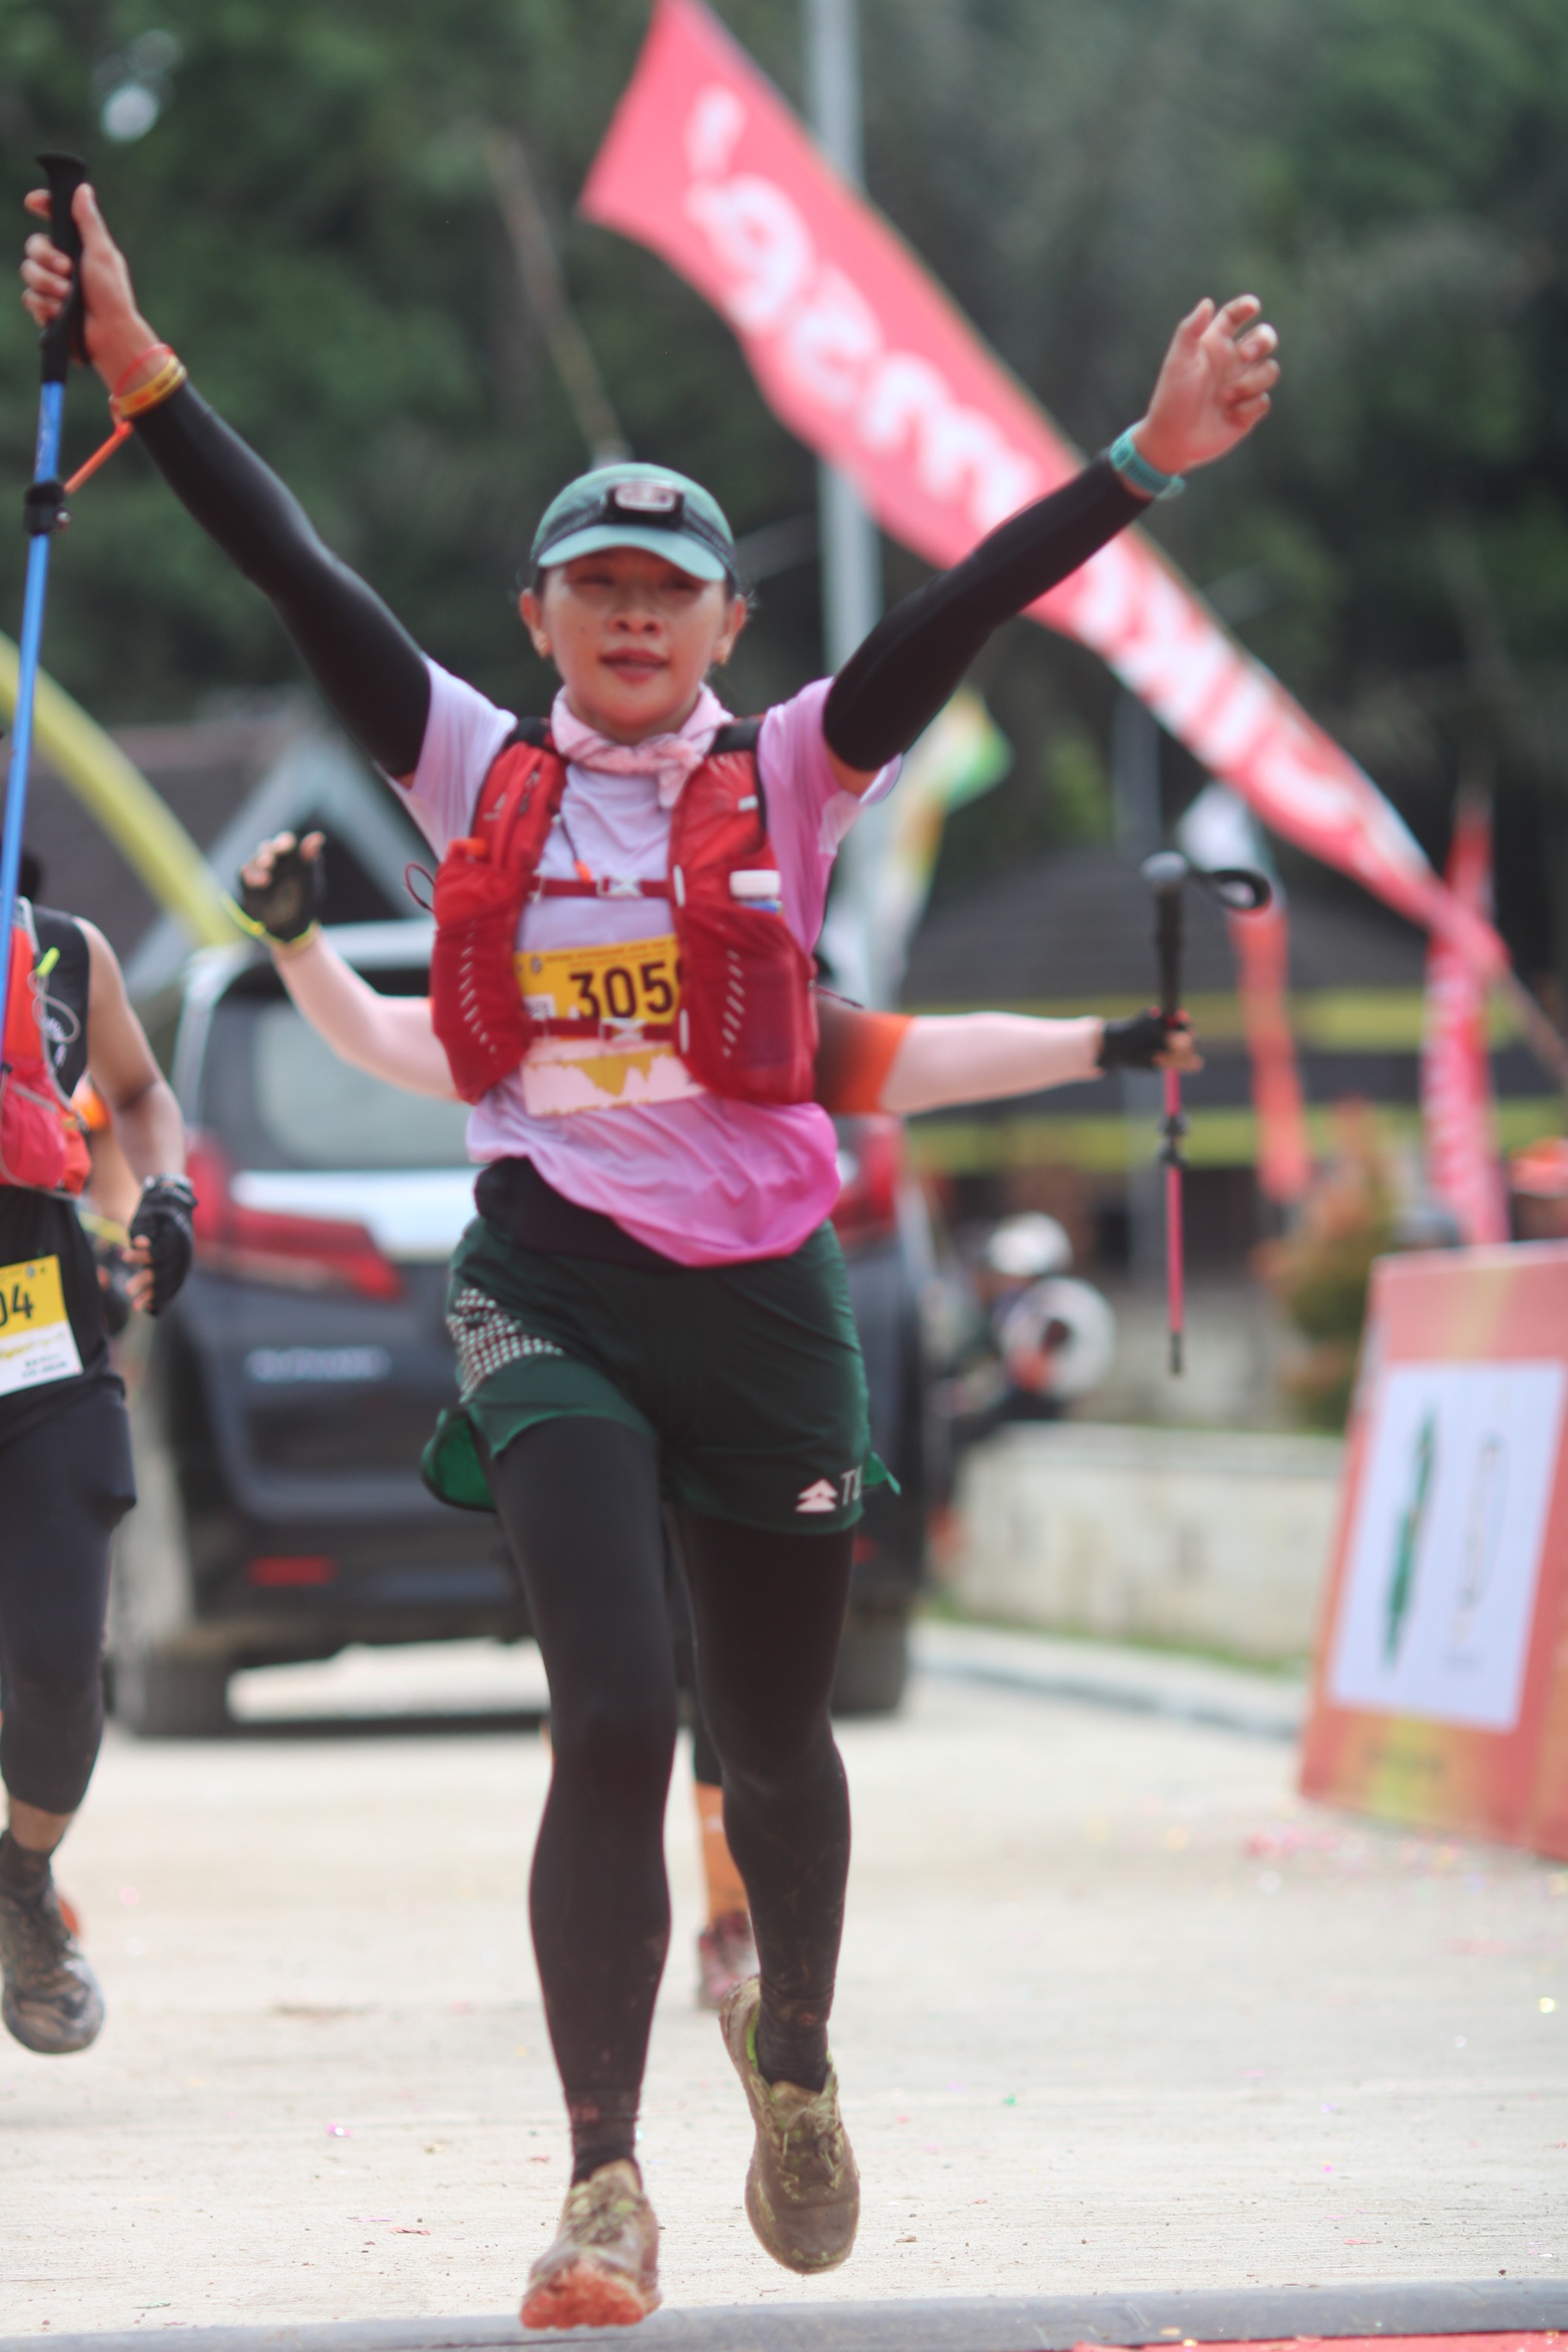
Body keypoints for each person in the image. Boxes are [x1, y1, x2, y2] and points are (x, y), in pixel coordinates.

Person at [23, 178, 1275, 2328]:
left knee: (771, 1752)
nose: (630, 617)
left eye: (667, 591)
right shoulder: (467, 768)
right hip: (552, 1289)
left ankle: (794, 2056)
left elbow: (967, 605)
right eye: (594, 586)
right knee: (612, 1711)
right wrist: (135, 366)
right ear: (537, 617)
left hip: (768, 1306)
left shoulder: (795, 773)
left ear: (721, 626)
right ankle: (602, 2182)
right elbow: (296, 566)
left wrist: (1144, 461)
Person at [230, 841, 1198, 2008]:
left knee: (729, 1676)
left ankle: (733, 1923)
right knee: (610, 1688)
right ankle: (616, 1908)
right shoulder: (520, 1013)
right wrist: (298, 944)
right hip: (570, 1358)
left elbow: (905, 1056)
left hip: (744, 1363)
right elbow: (388, 1038)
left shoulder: (754, 1000)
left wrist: (1101, 1044)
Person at [0, 858, 194, 2055]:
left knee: (60, 1667)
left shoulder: (64, 952)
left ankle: (24, 1881)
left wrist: (164, 1196)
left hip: (40, 1353)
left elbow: (141, 1090)